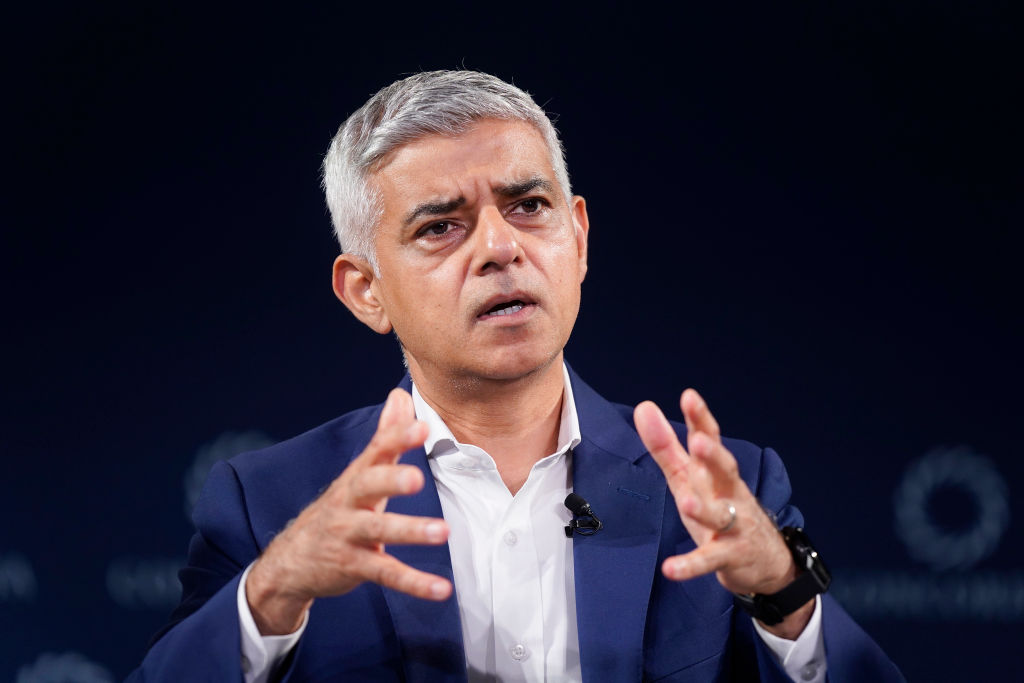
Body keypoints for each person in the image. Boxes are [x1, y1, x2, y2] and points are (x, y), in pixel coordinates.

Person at [130, 70, 902, 682]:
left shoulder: (722, 490)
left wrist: (786, 598)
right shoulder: (267, 504)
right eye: (441, 226)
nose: (501, 248)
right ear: (366, 290)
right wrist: (270, 595)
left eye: (528, 205)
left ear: (579, 238)